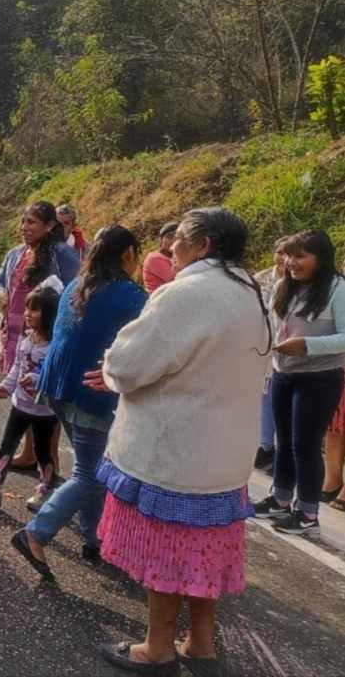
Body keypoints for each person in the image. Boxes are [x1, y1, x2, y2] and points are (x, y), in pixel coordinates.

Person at [88, 208, 269, 676]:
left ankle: (157, 648)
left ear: (204, 245)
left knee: (166, 555)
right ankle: (201, 643)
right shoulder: (252, 291)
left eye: (180, 241)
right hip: (225, 455)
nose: (170, 248)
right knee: (201, 553)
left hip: (175, 452)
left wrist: (110, 366)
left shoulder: (184, 294)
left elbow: (129, 365)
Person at [11, 225, 147, 580]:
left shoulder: (77, 284)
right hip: (91, 391)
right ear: (129, 254)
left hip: (56, 388)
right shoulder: (132, 296)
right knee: (91, 473)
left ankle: (93, 539)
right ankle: (36, 533)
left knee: (92, 467)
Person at [252, 230, 345, 536]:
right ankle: (280, 498)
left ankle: (306, 513)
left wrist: (307, 345)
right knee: (283, 441)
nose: (292, 262)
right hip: (284, 372)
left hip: (320, 378)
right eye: (289, 255)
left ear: (321, 257)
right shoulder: (285, 286)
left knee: (304, 445)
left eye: (301, 256)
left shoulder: (337, 288)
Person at [0, 202, 80, 470]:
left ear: (50, 225)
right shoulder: (17, 253)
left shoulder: (62, 254)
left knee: (47, 402)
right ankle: (29, 453)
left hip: (47, 338)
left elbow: (76, 291)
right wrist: (2, 294)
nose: (24, 227)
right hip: (17, 336)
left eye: (32, 222)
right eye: (23, 221)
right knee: (25, 393)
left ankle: (48, 461)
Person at [0, 285, 61, 511]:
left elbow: (51, 375)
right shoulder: (27, 338)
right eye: (27, 309)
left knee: (43, 451)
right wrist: (7, 385)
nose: (28, 314)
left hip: (44, 410)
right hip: (20, 405)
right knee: (7, 445)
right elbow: (16, 367)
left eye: (35, 310)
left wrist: (35, 378)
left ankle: (44, 490)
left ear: (50, 314)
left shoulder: (55, 347)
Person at [253, 237, 290, 473]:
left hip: (288, 348)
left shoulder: (300, 282)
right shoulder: (261, 278)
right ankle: (265, 446)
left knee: (279, 400)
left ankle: (275, 449)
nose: (284, 258)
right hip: (264, 345)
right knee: (265, 397)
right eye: (280, 252)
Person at [141, 222, 179, 293]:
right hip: (158, 300)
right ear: (161, 239)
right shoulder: (154, 258)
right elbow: (177, 280)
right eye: (169, 237)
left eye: (177, 238)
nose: (173, 241)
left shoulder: (176, 257)